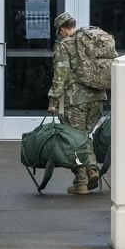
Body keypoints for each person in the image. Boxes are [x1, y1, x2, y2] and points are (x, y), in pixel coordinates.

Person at [47, 12, 106, 195]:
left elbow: (61, 74)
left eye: (59, 32)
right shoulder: (91, 41)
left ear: (62, 29)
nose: (59, 36)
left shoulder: (64, 45)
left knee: (74, 140)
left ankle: (83, 179)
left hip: (76, 101)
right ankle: (90, 171)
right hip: (98, 98)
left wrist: (53, 100)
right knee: (85, 137)